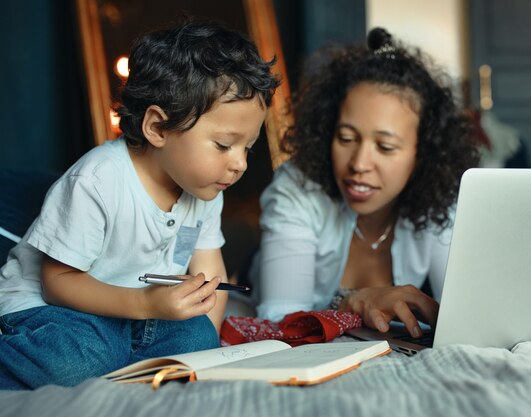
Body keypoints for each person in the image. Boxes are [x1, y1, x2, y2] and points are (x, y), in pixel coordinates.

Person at [0, 20, 279, 390]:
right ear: (158, 128)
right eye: (225, 145)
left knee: (195, 338)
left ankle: (122, 358)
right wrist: (146, 306)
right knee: (79, 357)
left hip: (144, 312)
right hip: (59, 308)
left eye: (247, 147)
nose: (239, 163)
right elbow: (57, 283)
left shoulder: (207, 189)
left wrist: (203, 350)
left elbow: (211, 277)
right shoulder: (98, 181)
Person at [247, 27, 478, 338]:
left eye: (385, 147)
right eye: (346, 138)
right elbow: (277, 317)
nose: (358, 163)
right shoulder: (298, 189)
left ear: (422, 154)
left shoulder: (439, 200)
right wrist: (350, 305)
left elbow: (464, 314)